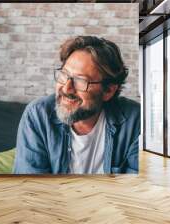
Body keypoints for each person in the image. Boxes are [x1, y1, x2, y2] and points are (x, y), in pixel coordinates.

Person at [13, 36, 140, 174]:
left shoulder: (135, 121)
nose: (66, 88)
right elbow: (31, 189)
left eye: (80, 81)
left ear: (108, 91)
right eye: (64, 75)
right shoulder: (38, 115)